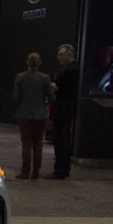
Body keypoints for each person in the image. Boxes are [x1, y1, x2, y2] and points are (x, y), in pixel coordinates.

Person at [12, 52, 55, 180]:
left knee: (26, 145)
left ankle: (25, 171)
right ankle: (36, 172)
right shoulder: (45, 78)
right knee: (38, 144)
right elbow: (52, 97)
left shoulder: (20, 77)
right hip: (40, 115)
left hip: (24, 114)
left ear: (27, 62)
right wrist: (45, 102)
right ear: (40, 63)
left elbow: (15, 98)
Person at [50, 43, 79, 179]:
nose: (58, 57)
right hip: (61, 109)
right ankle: (60, 168)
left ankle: (62, 169)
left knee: (62, 139)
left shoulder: (72, 69)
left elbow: (58, 86)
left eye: (61, 54)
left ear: (69, 54)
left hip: (64, 109)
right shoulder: (66, 69)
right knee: (60, 139)